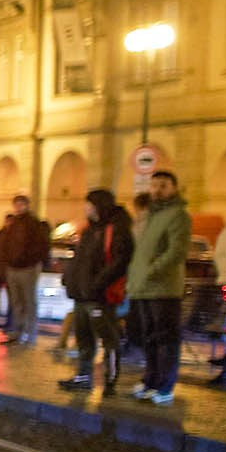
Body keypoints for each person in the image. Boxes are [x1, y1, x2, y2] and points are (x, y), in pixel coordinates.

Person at [58, 188, 133, 396]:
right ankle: (83, 376)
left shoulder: (116, 228)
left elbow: (120, 261)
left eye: (89, 204)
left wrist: (98, 283)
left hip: (100, 296)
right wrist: (70, 279)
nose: (86, 208)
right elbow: (81, 258)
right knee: (84, 338)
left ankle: (110, 381)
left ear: (98, 205)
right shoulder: (90, 230)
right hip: (82, 294)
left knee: (108, 338)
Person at [126, 169, 192, 405]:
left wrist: (152, 270)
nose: (157, 190)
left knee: (166, 339)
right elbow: (141, 252)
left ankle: (166, 386)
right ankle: (150, 380)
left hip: (164, 288)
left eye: (163, 185)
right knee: (150, 338)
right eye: (154, 185)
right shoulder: (150, 216)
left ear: (174, 188)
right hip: (144, 287)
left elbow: (177, 251)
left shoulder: (178, 215)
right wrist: (137, 277)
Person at [2, 195, 51, 346]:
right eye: (16, 204)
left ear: (26, 205)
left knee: (29, 301)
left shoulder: (33, 224)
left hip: (28, 267)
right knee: (16, 302)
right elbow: (6, 244)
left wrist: (33, 260)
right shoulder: (13, 224)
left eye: (21, 204)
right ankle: (18, 332)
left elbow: (41, 245)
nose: (18, 207)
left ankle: (30, 334)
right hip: (13, 267)